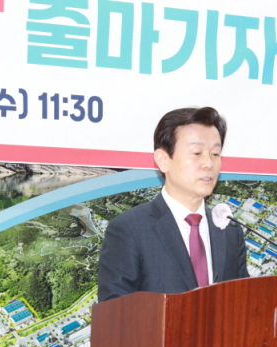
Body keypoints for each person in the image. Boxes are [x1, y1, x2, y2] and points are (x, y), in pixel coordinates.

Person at [97, 107, 249, 301]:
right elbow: (116, 314)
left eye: (215, 154)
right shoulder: (129, 230)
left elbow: (243, 303)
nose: (209, 164)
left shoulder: (230, 231)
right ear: (163, 160)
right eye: (196, 153)